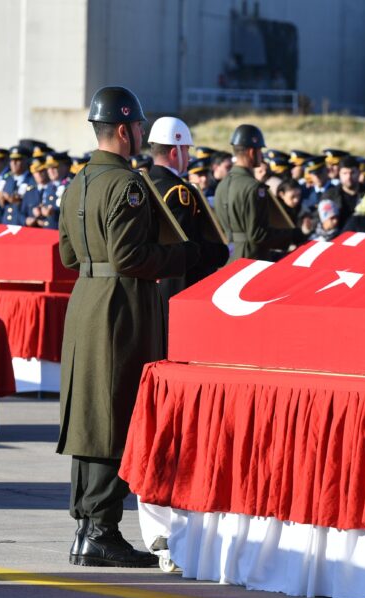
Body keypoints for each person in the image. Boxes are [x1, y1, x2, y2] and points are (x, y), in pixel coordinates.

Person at [57, 86, 198, 568]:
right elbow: (130, 255)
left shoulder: (78, 182)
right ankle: (101, 530)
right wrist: (180, 256)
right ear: (123, 129)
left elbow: (67, 255)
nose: (141, 134)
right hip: (121, 308)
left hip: (86, 303)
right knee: (113, 415)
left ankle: (87, 528)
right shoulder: (129, 185)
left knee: (90, 416)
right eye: (139, 127)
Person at [146, 115, 228, 312]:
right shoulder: (179, 192)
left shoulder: (143, 184)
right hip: (177, 285)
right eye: (186, 149)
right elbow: (188, 246)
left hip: (151, 281)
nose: (189, 157)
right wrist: (221, 252)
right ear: (175, 152)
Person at [215, 124, 304, 263]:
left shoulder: (222, 185)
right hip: (251, 259)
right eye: (260, 150)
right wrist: (291, 235)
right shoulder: (254, 188)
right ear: (252, 152)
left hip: (230, 258)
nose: (261, 155)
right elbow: (258, 235)